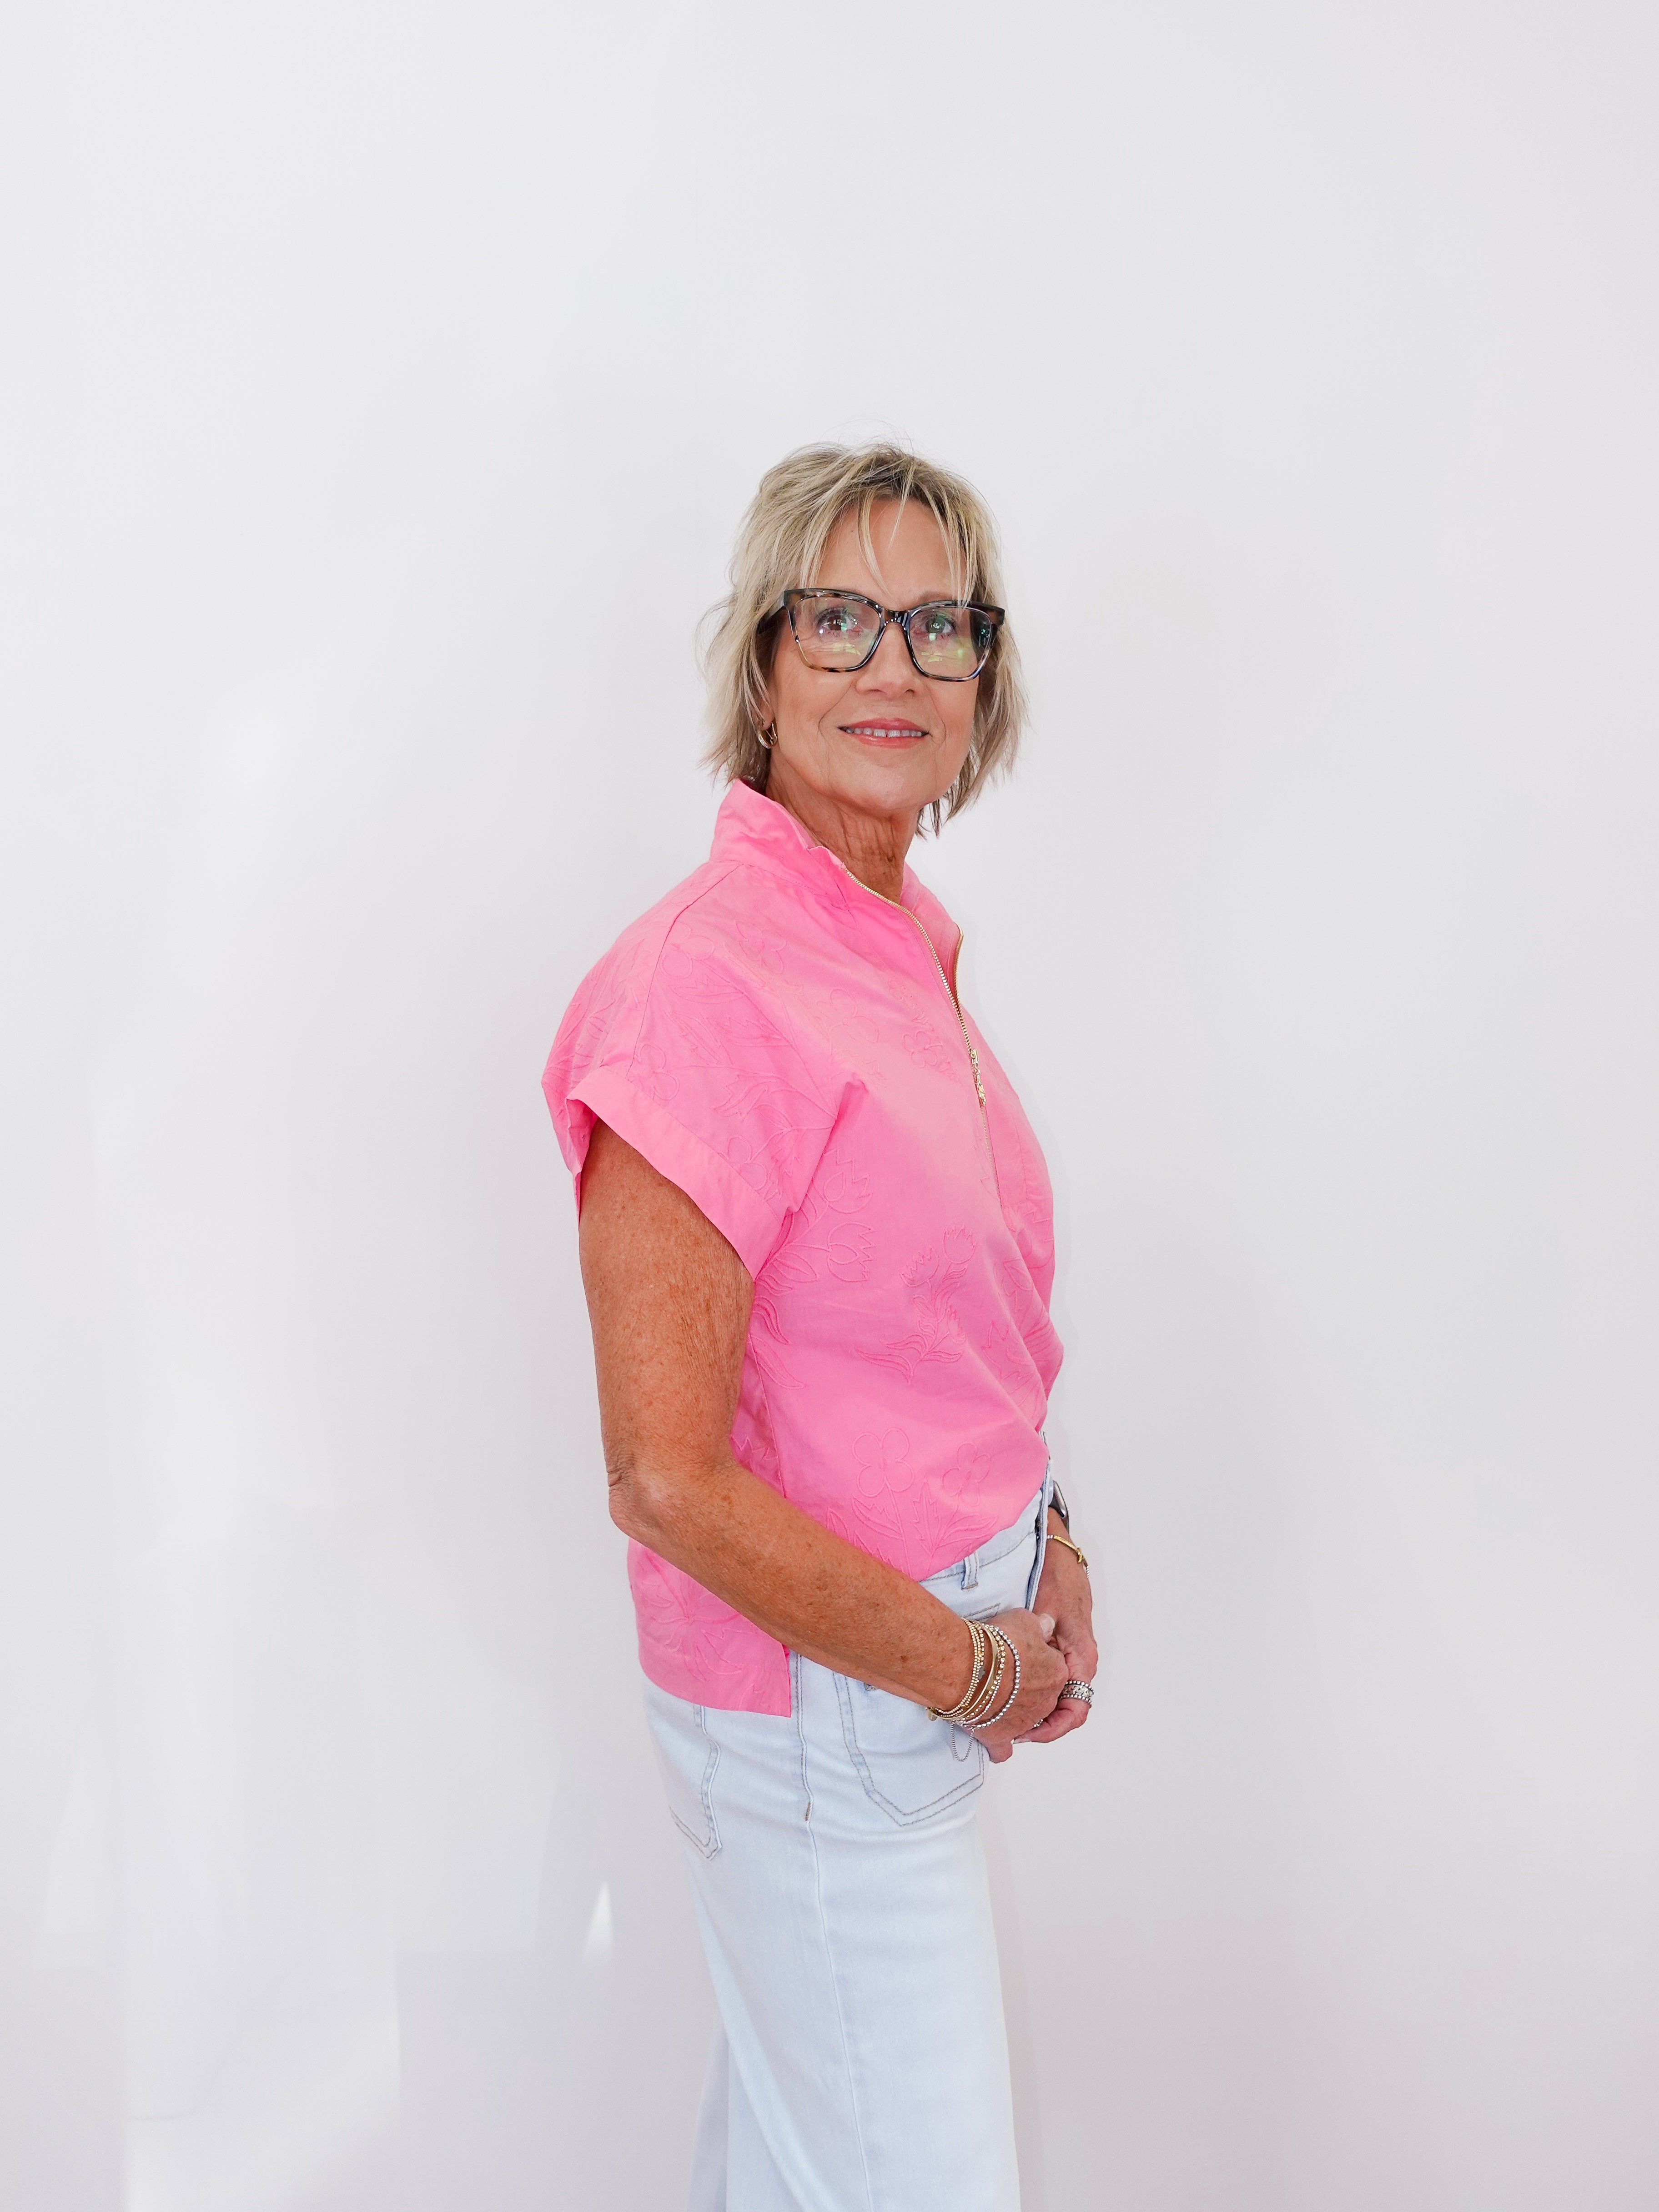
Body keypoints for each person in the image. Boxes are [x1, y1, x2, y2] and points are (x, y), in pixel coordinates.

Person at [543, 443, 1096, 2211]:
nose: (895, 664)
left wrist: (1051, 1538)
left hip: (905, 1678)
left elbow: (944, 1320)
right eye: (841, 617)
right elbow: (664, 1479)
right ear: (765, 665)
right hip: (828, 1714)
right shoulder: (704, 983)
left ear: (984, 679)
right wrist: (968, 1667)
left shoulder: (888, 939)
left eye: (941, 625)